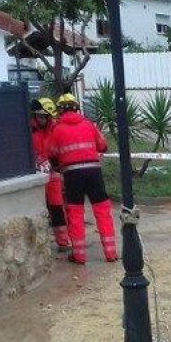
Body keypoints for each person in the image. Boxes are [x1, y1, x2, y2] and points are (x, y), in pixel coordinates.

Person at [48, 93, 116, 264]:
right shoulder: (89, 124)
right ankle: (111, 253)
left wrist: (59, 165)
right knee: (102, 210)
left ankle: (79, 255)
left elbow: (52, 154)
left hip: (72, 175)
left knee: (75, 213)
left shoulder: (57, 129)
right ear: (76, 108)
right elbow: (103, 146)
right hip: (94, 172)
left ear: (60, 110)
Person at [29, 98, 70, 252]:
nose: (42, 119)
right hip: (36, 175)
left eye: (44, 116)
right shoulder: (29, 131)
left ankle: (63, 242)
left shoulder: (54, 128)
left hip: (54, 174)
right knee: (38, 210)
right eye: (39, 116)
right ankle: (38, 244)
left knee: (57, 207)